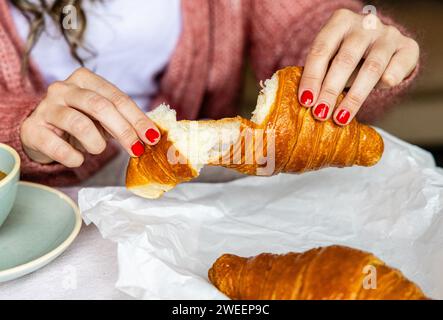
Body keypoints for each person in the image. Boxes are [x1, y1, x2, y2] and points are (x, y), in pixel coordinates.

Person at [0, 0, 420, 186]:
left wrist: (354, 55)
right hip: (39, 209)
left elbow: (300, 22)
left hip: (199, 194)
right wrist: (23, 131)